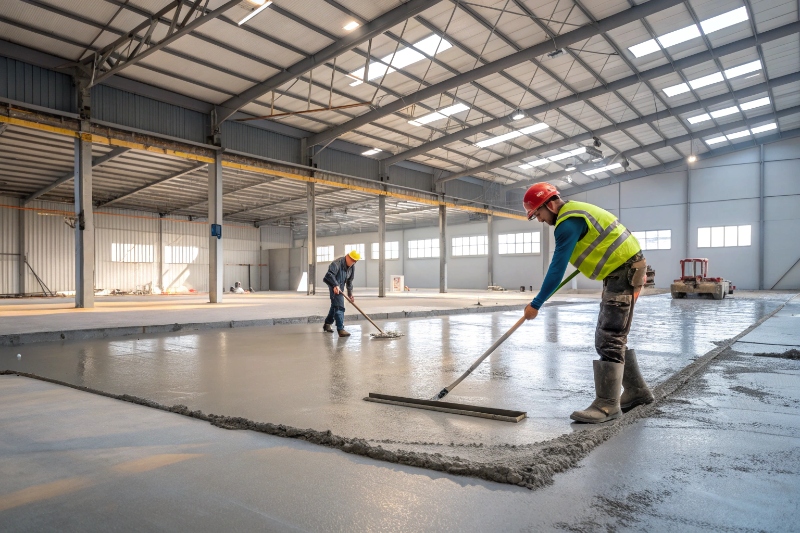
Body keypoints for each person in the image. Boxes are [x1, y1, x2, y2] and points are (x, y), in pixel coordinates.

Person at [522, 182, 654, 424]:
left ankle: (607, 406)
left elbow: (556, 269)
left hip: (624, 272)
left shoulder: (567, 223)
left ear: (550, 204)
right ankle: (637, 392)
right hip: (623, 271)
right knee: (614, 335)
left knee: (609, 337)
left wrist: (536, 303)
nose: (539, 219)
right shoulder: (576, 214)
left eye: (538, 213)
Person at [323, 250, 360, 337]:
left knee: (334, 305)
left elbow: (349, 281)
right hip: (333, 284)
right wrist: (335, 285)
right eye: (353, 260)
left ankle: (327, 324)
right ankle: (340, 329)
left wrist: (350, 294)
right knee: (339, 306)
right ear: (348, 257)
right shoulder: (336, 263)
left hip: (341, 286)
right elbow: (329, 275)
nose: (354, 262)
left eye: (355, 261)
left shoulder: (352, 267)